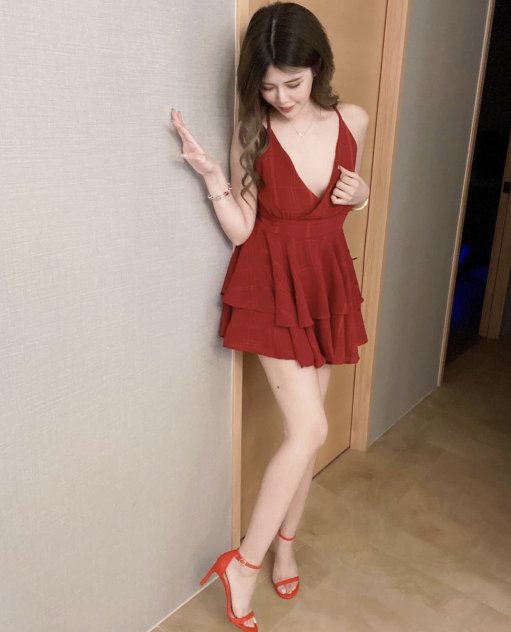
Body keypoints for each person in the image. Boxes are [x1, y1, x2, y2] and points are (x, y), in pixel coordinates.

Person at [171, 2, 369, 629]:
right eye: (267, 85)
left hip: (326, 280)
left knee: (307, 434)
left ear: (318, 68)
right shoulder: (253, 131)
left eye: (293, 82)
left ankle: (286, 547)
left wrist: (363, 195)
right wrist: (212, 176)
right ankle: (244, 564)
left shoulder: (354, 121)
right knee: (309, 429)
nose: (281, 97)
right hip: (272, 284)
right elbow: (241, 230)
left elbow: (346, 200)